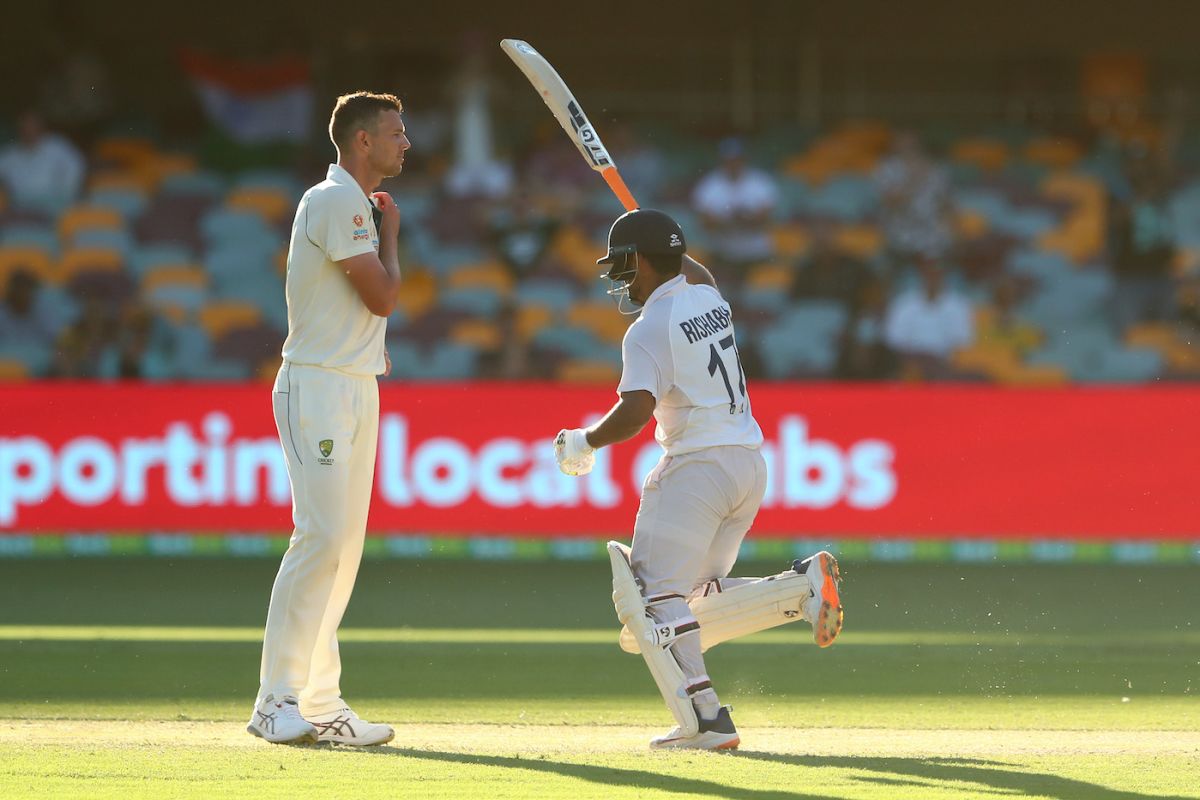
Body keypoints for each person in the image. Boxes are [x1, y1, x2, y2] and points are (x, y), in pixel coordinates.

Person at [552, 209, 843, 750]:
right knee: (693, 599)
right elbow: (697, 273)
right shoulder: (709, 299)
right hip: (747, 467)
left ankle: (706, 718)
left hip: (696, 470)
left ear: (641, 260)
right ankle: (800, 587)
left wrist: (584, 442)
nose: (621, 278)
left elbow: (636, 412)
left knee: (653, 599)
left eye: (625, 265)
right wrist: (663, 246)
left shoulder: (647, 330)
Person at [247, 92, 409, 747]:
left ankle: (322, 704)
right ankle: (273, 702)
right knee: (318, 539)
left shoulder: (356, 205)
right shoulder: (335, 198)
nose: (407, 143)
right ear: (362, 141)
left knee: (342, 549)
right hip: (316, 386)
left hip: (354, 385)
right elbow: (383, 297)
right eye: (396, 133)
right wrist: (394, 236)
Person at [691, 138, 778, 271]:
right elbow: (706, 224)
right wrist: (734, 219)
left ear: (744, 159)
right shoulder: (709, 185)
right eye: (728, 160)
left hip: (757, 252)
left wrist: (737, 219)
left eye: (737, 159)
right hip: (723, 253)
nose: (733, 164)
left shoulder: (760, 181)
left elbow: (766, 219)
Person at [883, 260, 974, 379]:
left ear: (943, 275)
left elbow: (963, 344)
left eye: (936, 273)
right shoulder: (904, 303)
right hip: (911, 365)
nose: (932, 277)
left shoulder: (959, 305)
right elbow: (893, 341)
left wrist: (941, 365)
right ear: (921, 275)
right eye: (928, 272)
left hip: (946, 367)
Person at [0, 110, 85, 213]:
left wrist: (65, 196)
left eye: (33, 125)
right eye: (25, 126)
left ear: (41, 127)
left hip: (55, 203)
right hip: (21, 206)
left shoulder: (57, 145)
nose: (29, 130)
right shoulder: (9, 154)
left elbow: (77, 168)